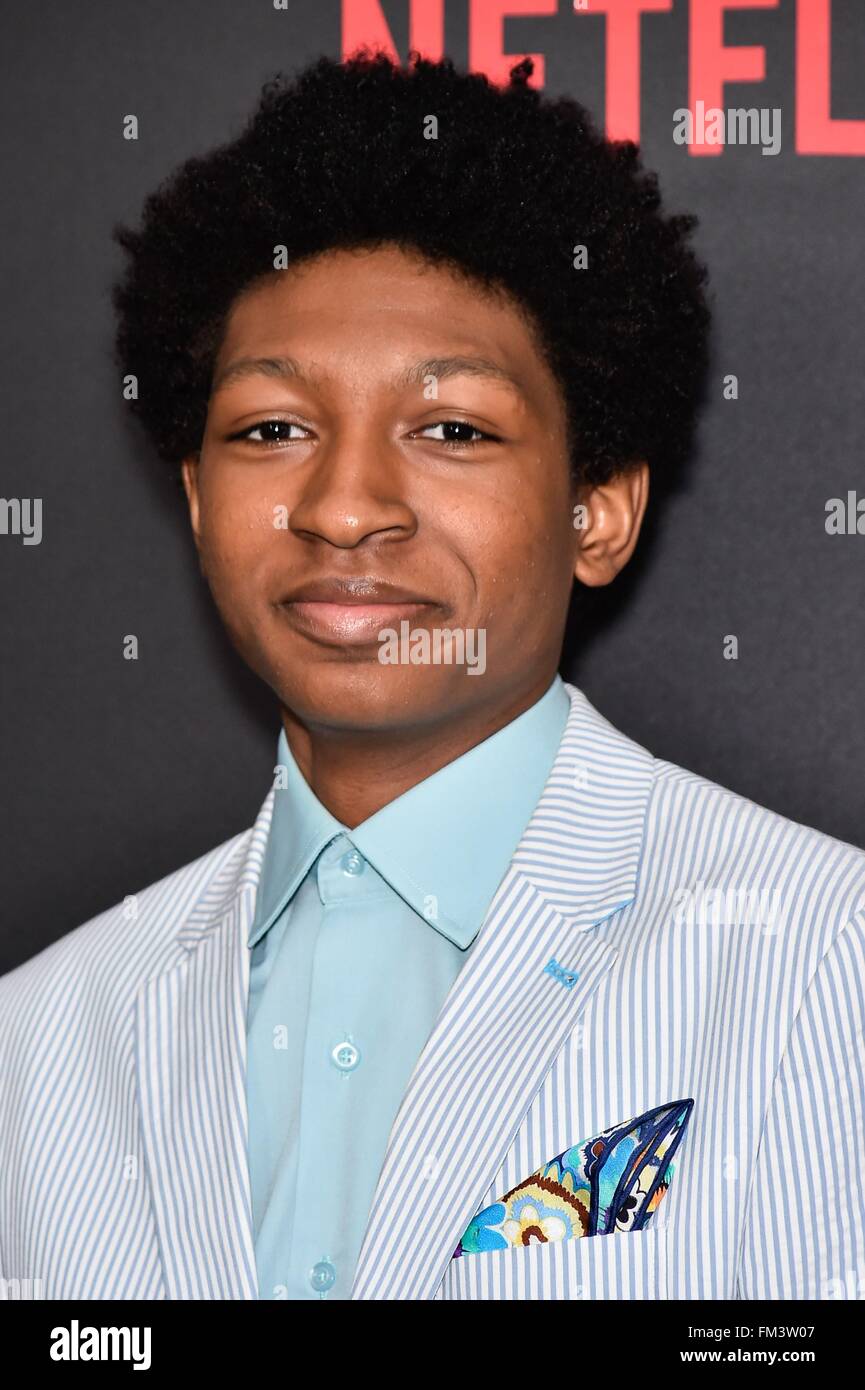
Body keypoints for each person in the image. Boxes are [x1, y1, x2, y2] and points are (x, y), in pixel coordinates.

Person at [1, 50, 862, 1303]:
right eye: (271, 429)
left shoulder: (827, 960)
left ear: (597, 511)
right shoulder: (39, 1038)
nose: (344, 507)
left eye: (452, 428)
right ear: (196, 499)